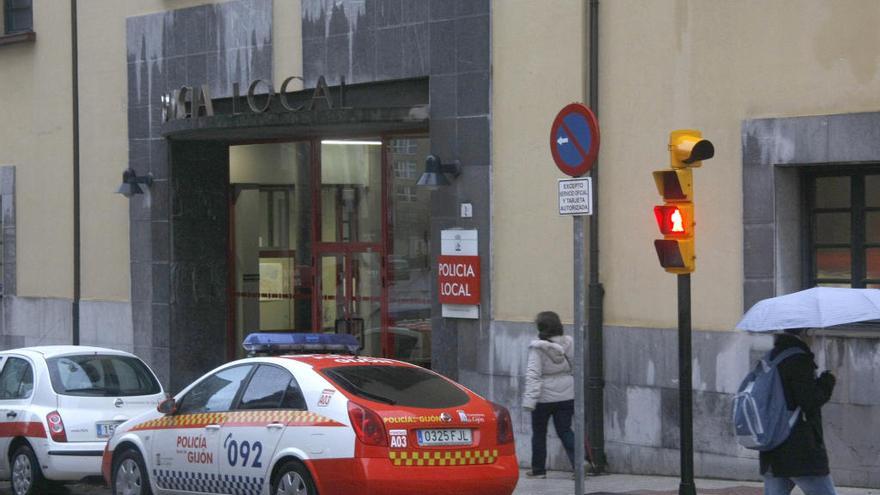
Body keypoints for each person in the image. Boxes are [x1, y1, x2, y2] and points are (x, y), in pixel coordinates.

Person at [761, 328, 837, 495]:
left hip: (772, 446)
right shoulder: (798, 360)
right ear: (806, 332)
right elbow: (810, 401)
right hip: (800, 448)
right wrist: (827, 381)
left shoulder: (770, 358)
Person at [522, 311, 576, 478]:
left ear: (541, 328)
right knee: (565, 431)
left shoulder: (537, 348)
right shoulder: (570, 343)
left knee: (539, 433)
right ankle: (579, 463)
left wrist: (529, 401)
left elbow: (533, 375)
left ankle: (539, 470)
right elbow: (575, 365)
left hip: (543, 397)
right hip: (567, 394)